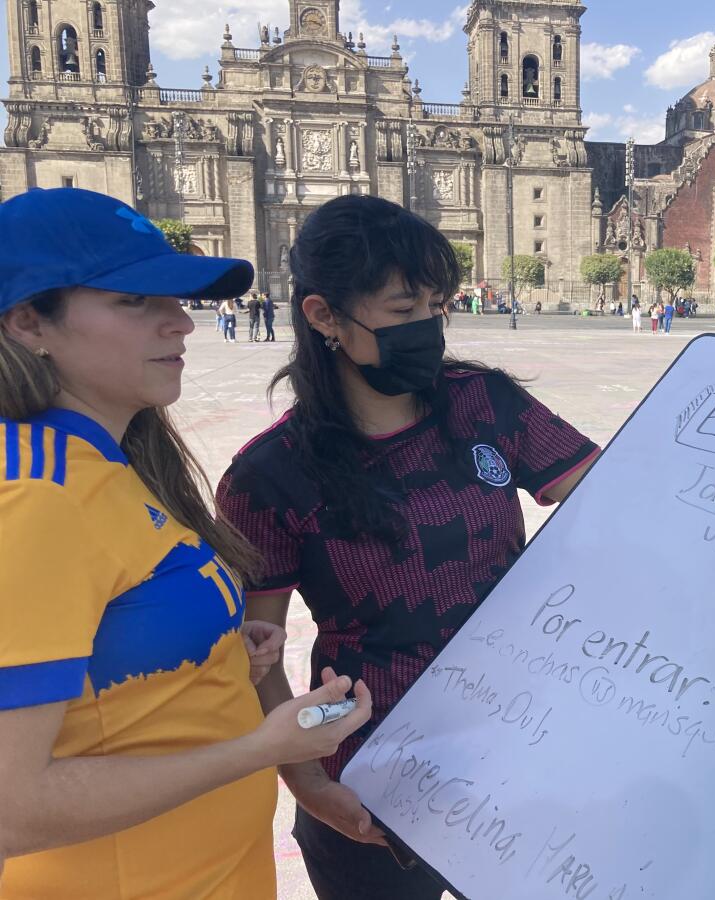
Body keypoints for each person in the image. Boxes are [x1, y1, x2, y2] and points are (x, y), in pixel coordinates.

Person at [215, 195, 600, 900]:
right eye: (402, 310)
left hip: (519, 738)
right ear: (324, 316)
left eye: (436, 305)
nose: (427, 326)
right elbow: (256, 653)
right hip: (370, 769)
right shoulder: (269, 475)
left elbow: (619, 497)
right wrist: (309, 784)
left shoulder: (482, 402)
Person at [0, 187, 371, 898]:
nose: (182, 324)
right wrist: (264, 748)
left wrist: (212, 652)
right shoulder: (33, 499)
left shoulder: (112, 461)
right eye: (134, 302)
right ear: (26, 321)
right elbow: (13, 806)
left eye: (174, 299)